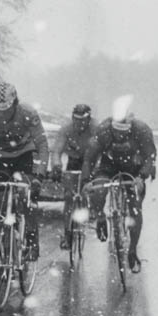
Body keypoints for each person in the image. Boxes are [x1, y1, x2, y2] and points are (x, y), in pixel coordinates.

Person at [0, 81, 48, 261]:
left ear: (15, 102)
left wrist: (39, 175)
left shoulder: (28, 114)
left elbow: (42, 144)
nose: (2, 113)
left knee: (26, 194)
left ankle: (31, 238)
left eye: (6, 108)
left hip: (24, 155)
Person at [82, 112, 156, 273]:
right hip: (109, 165)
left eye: (123, 133)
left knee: (135, 207)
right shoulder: (103, 131)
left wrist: (142, 176)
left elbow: (150, 156)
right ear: (111, 129)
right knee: (99, 191)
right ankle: (100, 216)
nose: (119, 136)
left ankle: (132, 250)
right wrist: (87, 180)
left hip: (134, 168)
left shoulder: (142, 131)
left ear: (130, 130)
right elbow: (89, 158)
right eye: (116, 133)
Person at [50, 104, 98, 249]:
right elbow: (57, 151)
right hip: (74, 160)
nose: (79, 124)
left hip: (91, 159)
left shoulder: (96, 129)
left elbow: (102, 151)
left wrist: (96, 171)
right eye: (76, 120)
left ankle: (91, 205)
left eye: (83, 120)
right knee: (69, 197)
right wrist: (56, 166)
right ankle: (67, 233)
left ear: (89, 119)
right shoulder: (66, 129)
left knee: (90, 187)